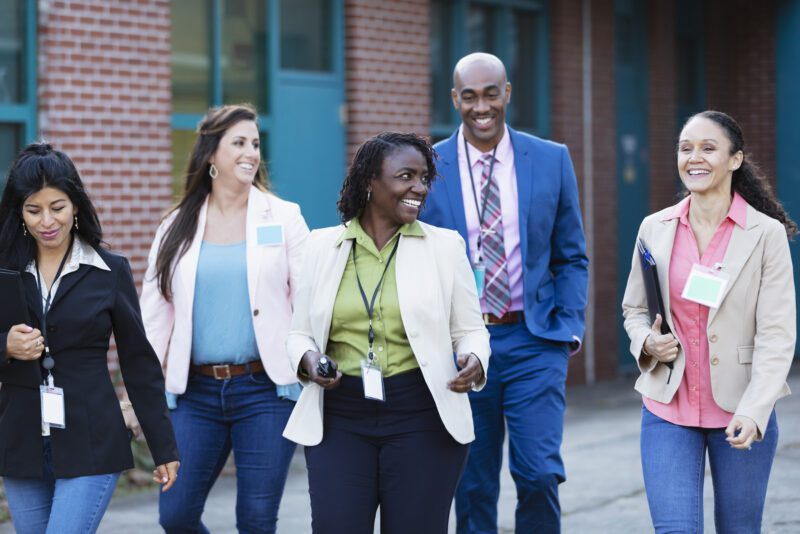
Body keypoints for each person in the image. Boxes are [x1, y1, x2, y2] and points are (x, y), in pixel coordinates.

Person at [283, 132, 490, 533]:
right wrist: (309, 361)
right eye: (406, 176)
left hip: (422, 414)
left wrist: (475, 359)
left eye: (424, 178)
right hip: (340, 417)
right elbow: (299, 335)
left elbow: (470, 329)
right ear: (369, 183)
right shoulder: (321, 247)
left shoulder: (445, 247)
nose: (419, 188)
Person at [419, 52, 588, 532]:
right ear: (455, 99)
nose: (481, 106)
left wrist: (568, 328)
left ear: (507, 93)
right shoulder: (428, 165)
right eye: (469, 96)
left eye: (490, 94)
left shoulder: (552, 159)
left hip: (534, 340)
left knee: (538, 473)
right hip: (462, 347)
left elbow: (571, 254)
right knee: (472, 483)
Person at [622, 110, 796, 532]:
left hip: (741, 410)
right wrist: (647, 341)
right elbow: (635, 309)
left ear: (735, 159)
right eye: (686, 148)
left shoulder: (765, 234)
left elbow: (777, 334)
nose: (693, 157)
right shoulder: (654, 228)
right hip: (668, 407)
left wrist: (756, 411)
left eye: (708, 148)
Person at [140, 104, 309, 533]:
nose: (251, 152)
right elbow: (155, 315)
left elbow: (311, 297)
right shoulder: (175, 225)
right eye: (238, 143)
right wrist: (139, 392)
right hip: (194, 393)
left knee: (255, 519)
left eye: (255, 143)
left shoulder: (284, 216)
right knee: (175, 515)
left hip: (265, 391)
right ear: (211, 154)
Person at [0, 142, 180, 533]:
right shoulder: (6, 269)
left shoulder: (108, 270)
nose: (47, 220)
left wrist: (162, 445)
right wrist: (5, 346)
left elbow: (138, 361)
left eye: (57, 207)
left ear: (76, 205)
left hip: (92, 439)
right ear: (19, 212)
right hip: (21, 441)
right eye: (34, 210)